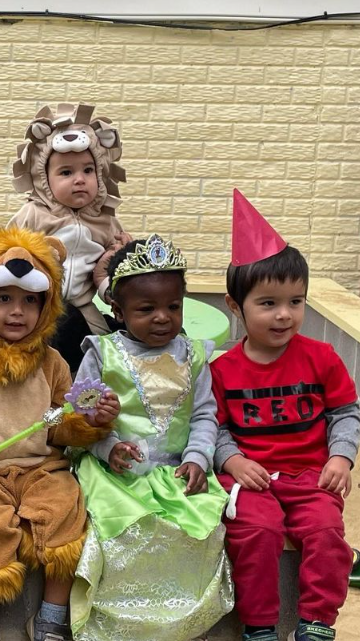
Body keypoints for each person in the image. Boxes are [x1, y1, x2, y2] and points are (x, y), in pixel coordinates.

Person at [0, 227, 119, 641]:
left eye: (30, 301)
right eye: (4, 299)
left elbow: (63, 423)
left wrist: (91, 420)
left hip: (42, 468)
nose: (17, 312)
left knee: (68, 515)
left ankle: (50, 617)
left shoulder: (52, 363)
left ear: (47, 307)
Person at [210, 190, 360, 641]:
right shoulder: (222, 370)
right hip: (249, 477)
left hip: (311, 475)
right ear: (235, 306)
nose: (284, 315)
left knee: (326, 532)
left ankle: (316, 624)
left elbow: (345, 412)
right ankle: (259, 627)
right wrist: (231, 460)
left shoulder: (322, 357)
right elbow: (214, 426)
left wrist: (341, 457)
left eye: (296, 302)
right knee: (255, 531)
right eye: (268, 303)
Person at [70, 234, 233, 641]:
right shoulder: (101, 353)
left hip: (176, 471)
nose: (162, 317)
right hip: (116, 474)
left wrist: (197, 458)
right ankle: (120, 626)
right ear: (119, 311)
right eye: (146, 309)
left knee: (198, 526)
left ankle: (179, 623)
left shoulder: (194, 355)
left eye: (172, 306)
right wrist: (106, 447)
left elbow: (204, 414)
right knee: (123, 527)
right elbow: (81, 418)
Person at [7, 102, 131, 370]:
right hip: (37, 306)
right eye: (66, 172)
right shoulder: (33, 214)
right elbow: (6, 250)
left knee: (101, 352)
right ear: (43, 177)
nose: (80, 179)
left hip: (84, 307)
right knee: (32, 357)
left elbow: (116, 258)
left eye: (88, 170)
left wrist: (122, 252)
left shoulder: (105, 219)